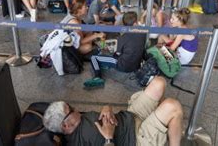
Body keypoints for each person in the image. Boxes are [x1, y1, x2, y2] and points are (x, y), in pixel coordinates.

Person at [43, 76, 184, 146]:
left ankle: (165, 126)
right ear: (65, 126)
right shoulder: (79, 142)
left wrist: (107, 107)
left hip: (131, 116)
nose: (75, 108)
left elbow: (100, 115)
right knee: (173, 106)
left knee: (159, 82)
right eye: (71, 109)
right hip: (137, 138)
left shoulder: (77, 119)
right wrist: (108, 138)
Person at [84, 12, 147, 88]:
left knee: (93, 57)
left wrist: (106, 47)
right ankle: (105, 64)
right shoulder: (143, 33)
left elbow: (117, 53)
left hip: (123, 66)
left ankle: (98, 77)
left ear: (124, 24)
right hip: (136, 65)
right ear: (135, 23)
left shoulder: (123, 38)